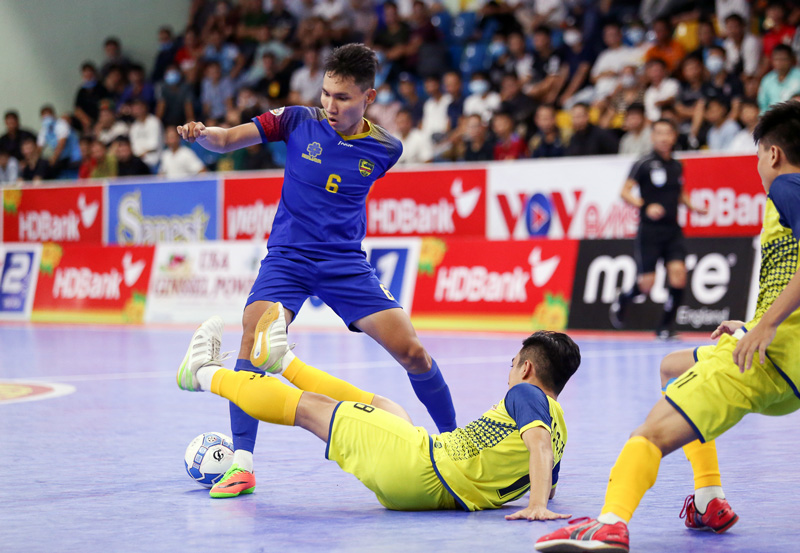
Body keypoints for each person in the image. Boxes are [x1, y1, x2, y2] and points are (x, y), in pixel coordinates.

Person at [177, 44, 459, 498]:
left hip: (345, 264)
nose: (330, 104)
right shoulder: (295, 120)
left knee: (413, 353)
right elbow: (227, 140)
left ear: (369, 97)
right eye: (326, 93)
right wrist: (202, 133)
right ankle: (242, 464)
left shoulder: (387, 148)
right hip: (288, 257)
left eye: (343, 97)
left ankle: (454, 441)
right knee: (252, 340)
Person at [535, 100, 800, 553]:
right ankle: (709, 499)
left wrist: (766, 326)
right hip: (787, 363)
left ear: (773, 154)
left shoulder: (786, 187)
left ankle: (609, 523)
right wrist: (755, 321)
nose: (757, 166)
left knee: (649, 435)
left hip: (768, 358)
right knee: (673, 367)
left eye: (758, 156)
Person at [178, 309, 580, 516]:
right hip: (431, 482)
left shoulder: (526, 394)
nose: (510, 372)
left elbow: (538, 447)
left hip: (423, 467)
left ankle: (202, 373)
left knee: (314, 409)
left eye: (513, 364)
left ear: (527, 369)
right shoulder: (558, 424)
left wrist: (537, 506)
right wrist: (544, 494)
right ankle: (282, 362)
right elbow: (546, 467)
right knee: (386, 408)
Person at [610, 119, 707, 340]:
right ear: (652, 137)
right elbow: (625, 192)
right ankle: (623, 299)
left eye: (667, 133)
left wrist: (693, 207)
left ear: (674, 137)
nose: (663, 138)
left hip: (673, 230)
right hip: (649, 231)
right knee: (647, 285)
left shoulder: (677, 165)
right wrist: (646, 206)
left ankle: (665, 327)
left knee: (678, 276)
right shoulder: (643, 164)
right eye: (659, 133)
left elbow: (680, 193)